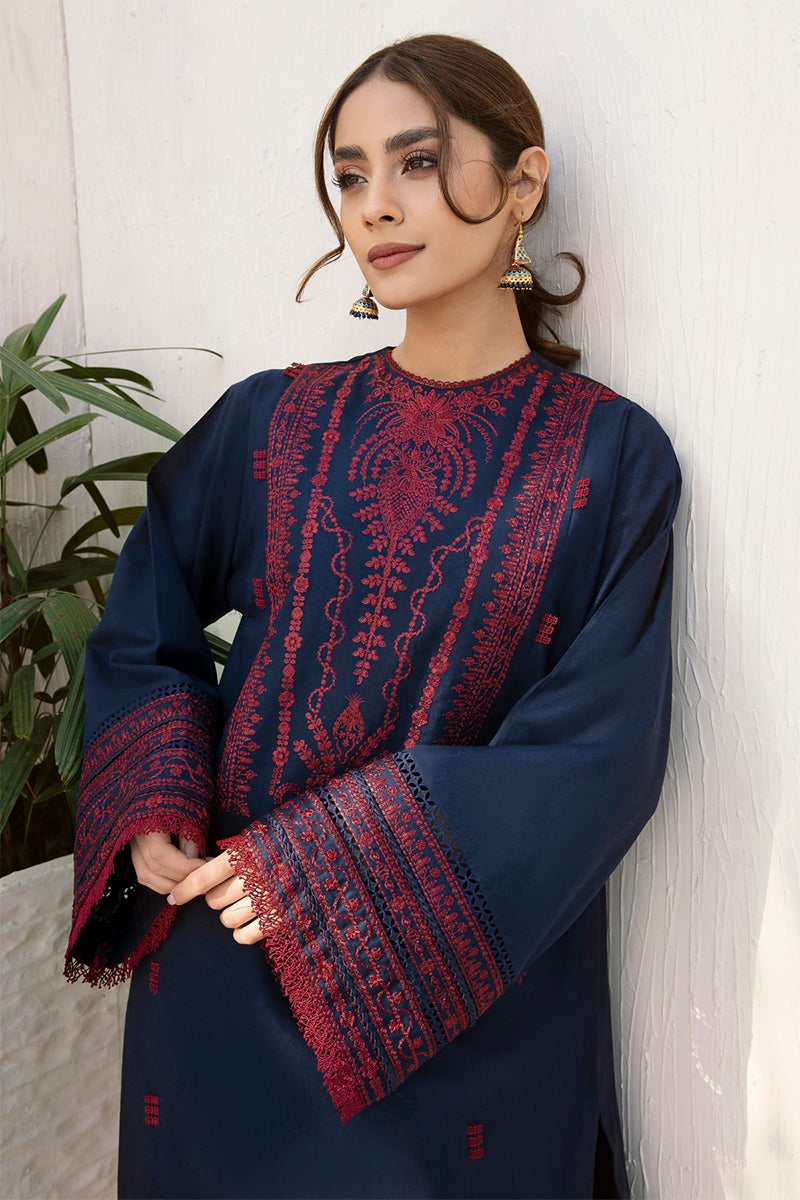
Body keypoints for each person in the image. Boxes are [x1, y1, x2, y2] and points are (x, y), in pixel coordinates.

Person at [64, 32, 681, 1200]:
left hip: (459, 1015)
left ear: (523, 183)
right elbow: (143, 620)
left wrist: (319, 867)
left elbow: (598, 753)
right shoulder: (268, 423)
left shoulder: (608, 457)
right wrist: (152, 812)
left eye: (417, 161)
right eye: (349, 174)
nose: (375, 205)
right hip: (220, 977)